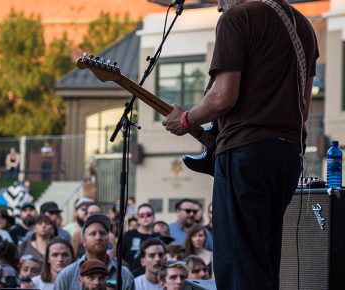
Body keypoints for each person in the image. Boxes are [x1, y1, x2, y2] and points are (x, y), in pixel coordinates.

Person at [161, 0, 319, 288]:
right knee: (263, 259)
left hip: (246, 153)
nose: (220, 7)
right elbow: (304, 108)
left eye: (221, 0)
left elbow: (223, 96)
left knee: (238, 264)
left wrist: (186, 120)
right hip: (287, 156)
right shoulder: (303, 26)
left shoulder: (239, 17)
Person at [54, 214, 135, 290]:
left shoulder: (124, 275)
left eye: (103, 233)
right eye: (93, 234)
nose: (98, 237)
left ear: (109, 239)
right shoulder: (67, 275)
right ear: (83, 240)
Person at [122, 203, 156, 271]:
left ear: (154, 217)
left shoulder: (158, 237)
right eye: (142, 215)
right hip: (132, 276)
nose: (145, 217)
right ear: (138, 218)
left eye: (148, 215)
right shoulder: (128, 235)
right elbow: (119, 257)